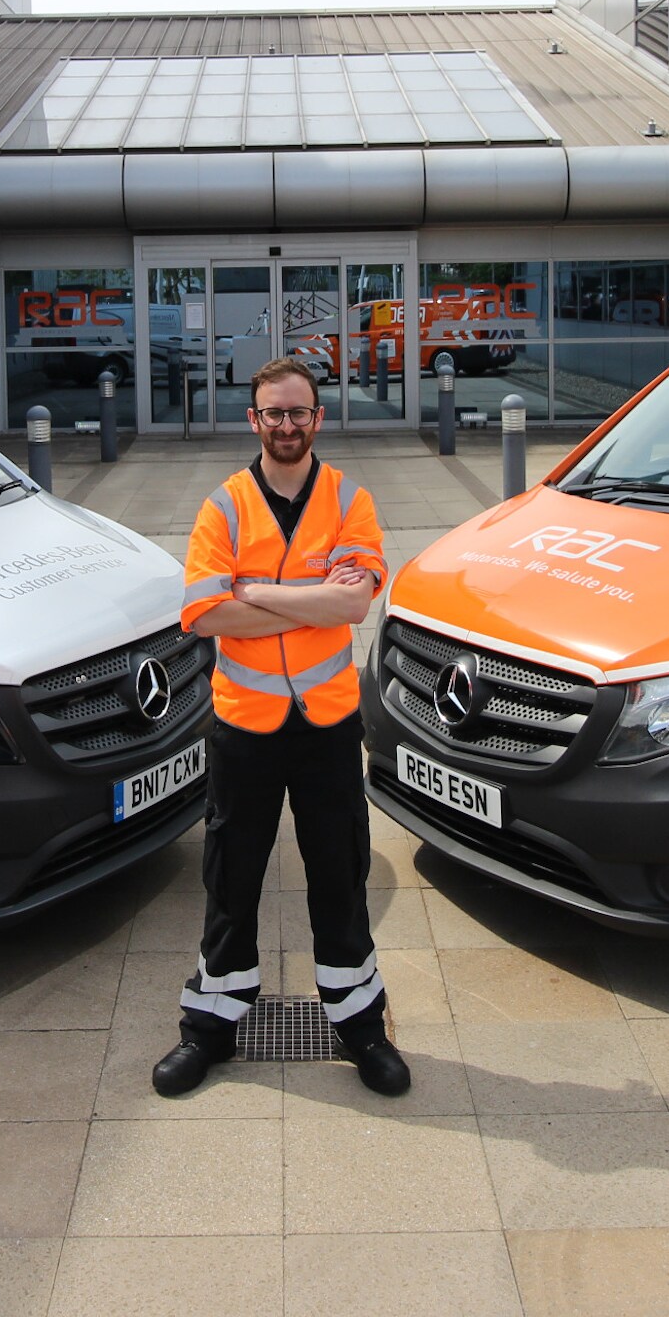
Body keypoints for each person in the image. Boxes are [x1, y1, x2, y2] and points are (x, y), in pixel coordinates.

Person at [152, 357, 411, 1097]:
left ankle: (361, 1027)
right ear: (254, 420)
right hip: (244, 726)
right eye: (274, 413)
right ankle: (210, 1028)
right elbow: (205, 613)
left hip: (328, 725)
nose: (287, 425)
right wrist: (308, 596)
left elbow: (354, 607)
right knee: (231, 877)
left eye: (299, 412)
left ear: (318, 418)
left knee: (341, 876)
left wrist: (257, 592)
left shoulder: (350, 500)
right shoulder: (224, 507)